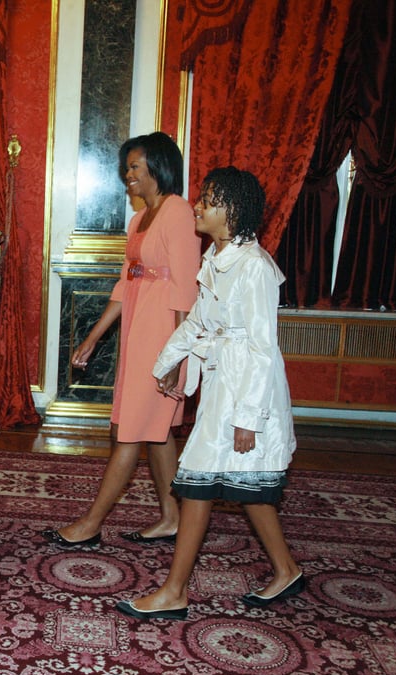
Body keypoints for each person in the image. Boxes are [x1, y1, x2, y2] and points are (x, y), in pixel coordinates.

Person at [117, 167, 302, 621]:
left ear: (233, 211)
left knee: (197, 481)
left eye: (209, 200)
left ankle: (174, 591)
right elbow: (198, 323)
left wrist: (248, 418)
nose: (198, 206)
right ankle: (287, 569)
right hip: (222, 385)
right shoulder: (216, 259)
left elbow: (261, 349)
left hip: (244, 392)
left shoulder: (255, 267)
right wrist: (165, 365)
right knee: (248, 489)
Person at [43, 132, 200, 548]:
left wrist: (178, 357)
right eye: (126, 168)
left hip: (163, 335)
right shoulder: (139, 219)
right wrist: (93, 338)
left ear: (158, 167)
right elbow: (124, 284)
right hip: (138, 330)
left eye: (134, 166)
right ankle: (172, 517)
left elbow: (185, 290)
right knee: (157, 431)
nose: (126, 175)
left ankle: (91, 524)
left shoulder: (178, 212)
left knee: (128, 432)